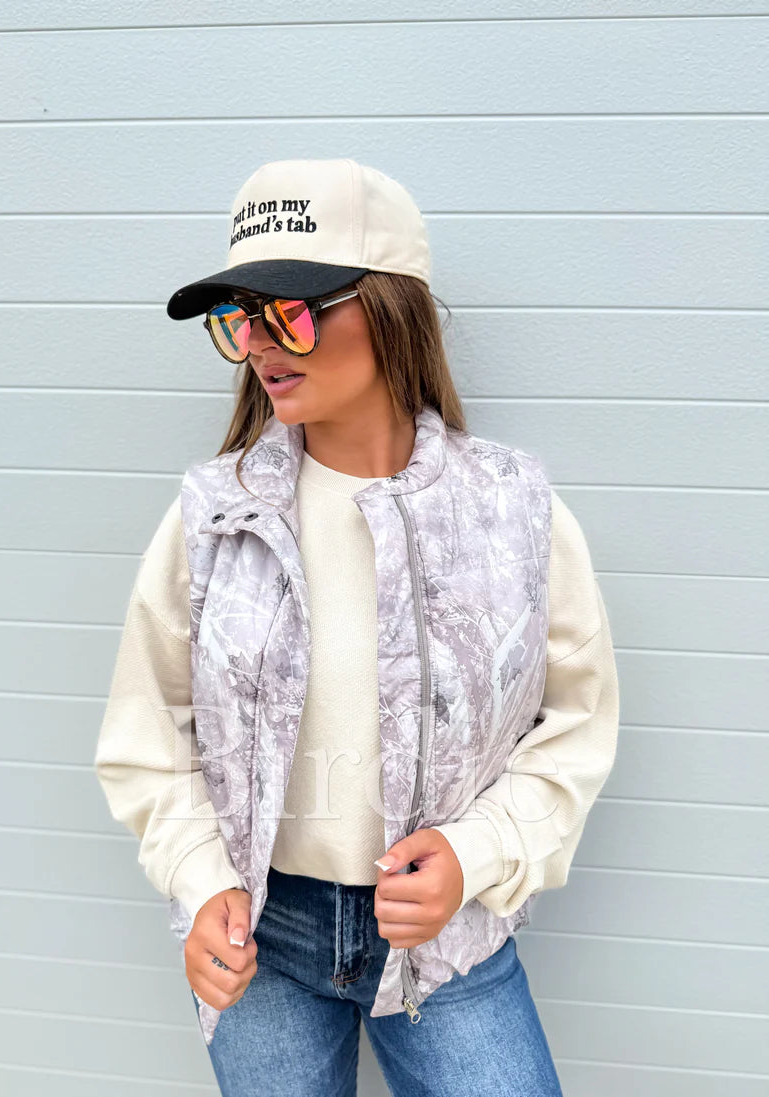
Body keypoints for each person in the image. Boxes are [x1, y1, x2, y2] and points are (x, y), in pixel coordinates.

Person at [95, 158, 619, 1096]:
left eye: (290, 312)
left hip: (447, 941)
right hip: (261, 937)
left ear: (387, 307)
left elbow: (576, 728)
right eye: (241, 317)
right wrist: (203, 880)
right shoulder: (214, 519)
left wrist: (472, 854)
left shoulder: (511, 511)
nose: (260, 344)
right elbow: (145, 740)